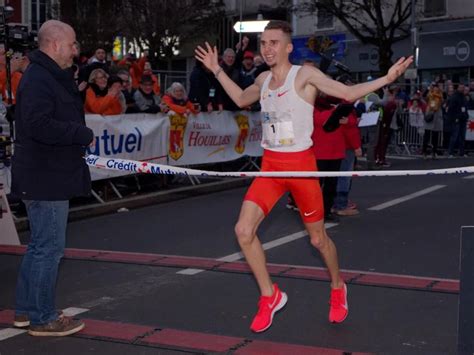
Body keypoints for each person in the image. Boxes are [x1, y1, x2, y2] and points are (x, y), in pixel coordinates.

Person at [195, 20, 412, 333]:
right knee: (243, 230)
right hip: (271, 167)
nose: (267, 49)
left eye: (273, 43)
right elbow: (242, 99)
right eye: (263, 43)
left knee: (317, 238)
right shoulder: (263, 78)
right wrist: (217, 70)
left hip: (301, 168)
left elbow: (347, 92)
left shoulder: (305, 76)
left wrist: (386, 78)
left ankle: (338, 286)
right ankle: (270, 295)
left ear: (287, 47)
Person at [11, 20, 94, 336]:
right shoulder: (39, 79)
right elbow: (38, 125)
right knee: (49, 249)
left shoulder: (45, 76)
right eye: (72, 44)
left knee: (38, 246)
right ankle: (43, 317)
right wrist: (79, 133)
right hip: (46, 176)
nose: (76, 50)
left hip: (44, 174)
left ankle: (27, 309)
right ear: (56, 44)